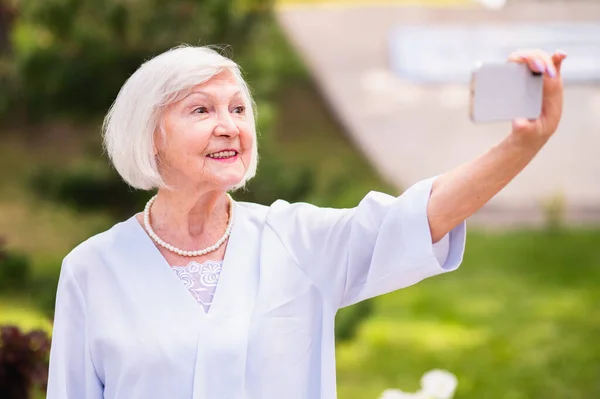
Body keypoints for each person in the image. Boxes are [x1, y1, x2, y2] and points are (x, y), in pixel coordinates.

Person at [46, 45, 566, 399]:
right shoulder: (92, 269)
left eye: (238, 109)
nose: (229, 126)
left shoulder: (295, 240)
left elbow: (419, 218)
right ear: (151, 135)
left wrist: (523, 143)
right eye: (201, 111)